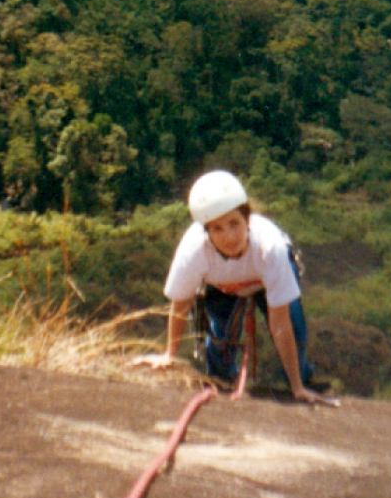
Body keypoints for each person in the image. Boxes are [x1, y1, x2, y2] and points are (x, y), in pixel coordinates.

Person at [140, 169, 335, 406]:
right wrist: (169, 355)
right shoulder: (194, 251)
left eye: (234, 224)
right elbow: (181, 304)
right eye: (217, 229)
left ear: (248, 218)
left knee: (295, 330)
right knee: (220, 336)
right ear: (206, 231)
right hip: (220, 284)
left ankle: (300, 377)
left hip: (263, 278)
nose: (229, 237)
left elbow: (280, 324)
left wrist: (297, 387)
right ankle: (221, 380)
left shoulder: (270, 248)